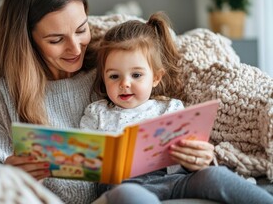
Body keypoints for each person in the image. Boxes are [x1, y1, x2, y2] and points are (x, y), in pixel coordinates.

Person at [0, 0, 161, 203]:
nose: (76, 47)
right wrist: (9, 178)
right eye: (56, 39)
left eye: (81, 29)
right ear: (26, 40)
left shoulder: (108, 71)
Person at [80, 12, 273, 204]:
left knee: (214, 176)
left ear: (156, 77)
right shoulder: (97, 113)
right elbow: (83, 158)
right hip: (125, 185)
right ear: (104, 78)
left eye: (136, 75)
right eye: (114, 76)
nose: (125, 84)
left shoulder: (170, 107)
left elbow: (191, 150)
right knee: (129, 195)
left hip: (174, 180)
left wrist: (197, 157)